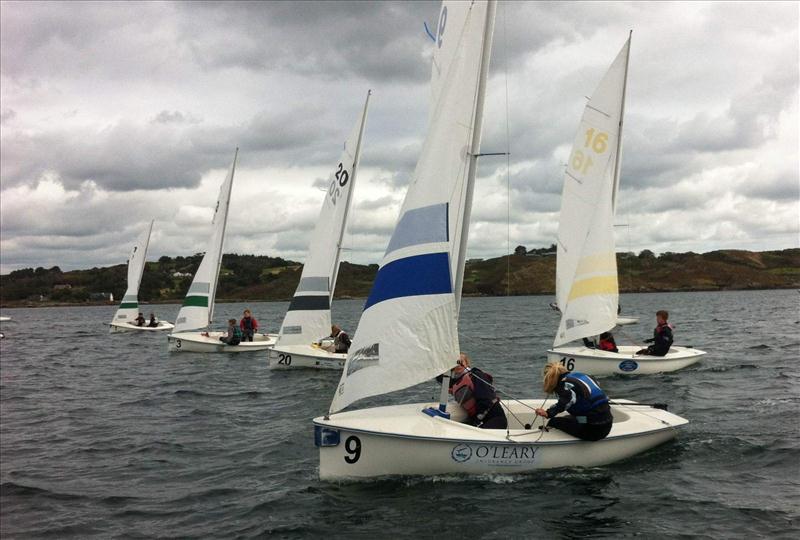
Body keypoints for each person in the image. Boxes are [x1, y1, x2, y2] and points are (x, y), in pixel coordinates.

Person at [535, 362, 612, 441]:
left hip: (594, 430)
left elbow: (565, 402)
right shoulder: (581, 375)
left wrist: (548, 413)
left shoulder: (565, 384)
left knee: (554, 422)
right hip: (607, 423)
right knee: (569, 418)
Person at [439, 353, 507, 429]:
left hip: (495, 418)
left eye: (460, 362)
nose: (458, 365)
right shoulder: (456, 382)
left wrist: (477, 419)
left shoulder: (476, 375)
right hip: (479, 419)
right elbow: (442, 380)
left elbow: (486, 399)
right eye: (455, 362)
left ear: (467, 363)